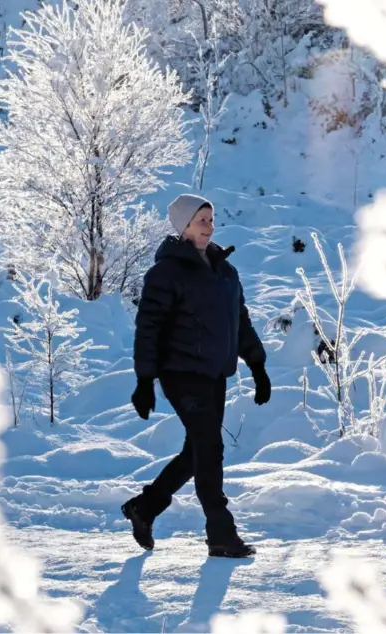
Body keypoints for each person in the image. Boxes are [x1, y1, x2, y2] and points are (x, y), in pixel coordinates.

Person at [121, 193, 272, 558]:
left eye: (211, 219)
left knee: (196, 451)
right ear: (183, 226)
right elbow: (149, 328)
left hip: (214, 373)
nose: (210, 226)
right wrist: (145, 380)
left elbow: (240, 323)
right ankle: (221, 534)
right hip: (180, 373)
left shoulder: (225, 271)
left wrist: (257, 365)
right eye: (201, 220)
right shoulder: (166, 273)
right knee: (210, 447)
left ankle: (145, 507)